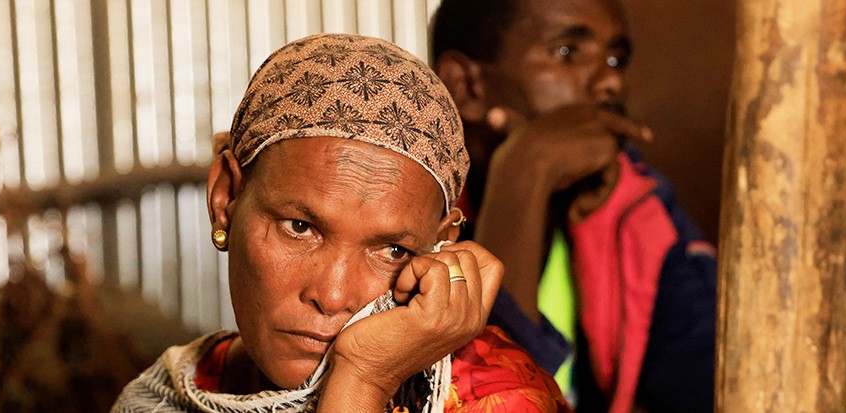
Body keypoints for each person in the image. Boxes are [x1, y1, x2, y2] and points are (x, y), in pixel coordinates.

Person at [113, 34, 569, 412]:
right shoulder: (170, 394)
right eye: (299, 227)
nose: (331, 296)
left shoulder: (500, 398)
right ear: (225, 199)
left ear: (441, 243)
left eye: (393, 250)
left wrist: (364, 377)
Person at [430, 0, 717, 411]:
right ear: (466, 86)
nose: (610, 83)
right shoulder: (416, 216)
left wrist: (534, 166)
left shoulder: (635, 202)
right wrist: (527, 172)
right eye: (567, 52)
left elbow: (711, 385)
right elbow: (471, 395)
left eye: (616, 58)